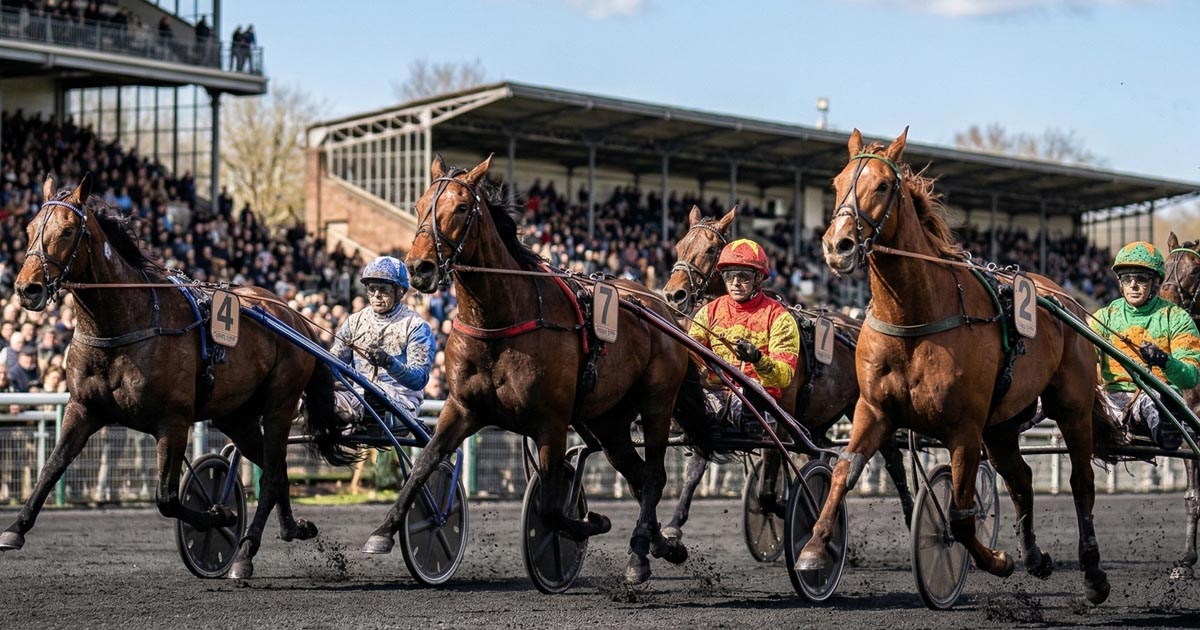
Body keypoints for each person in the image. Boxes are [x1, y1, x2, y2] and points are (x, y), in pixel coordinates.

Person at [1092, 241, 1200, 450]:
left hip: (1156, 397)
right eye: (1126, 278)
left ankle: (1166, 427)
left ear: (1156, 282)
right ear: (1120, 282)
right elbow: (1084, 356)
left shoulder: (1176, 318)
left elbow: (1190, 377)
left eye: (1141, 279)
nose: (1133, 285)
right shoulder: (1104, 317)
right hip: (1111, 399)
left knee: (1155, 400)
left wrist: (1164, 360)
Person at [687, 239, 799, 434]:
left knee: (751, 388)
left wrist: (757, 359)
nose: (735, 283)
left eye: (743, 277)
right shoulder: (709, 312)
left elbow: (784, 377)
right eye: (729, 276)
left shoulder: (780, 317)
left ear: (758, 278)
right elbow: (690, 355)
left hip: (759, 406)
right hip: (715, 395)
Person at [329, 256, 435, 434]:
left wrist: (389, 363)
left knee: (374, 399)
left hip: (400, 406)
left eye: (383, 289)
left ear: (400, 291)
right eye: (371, 289)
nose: (376, 295)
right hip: (358, 400)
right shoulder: (354, 322)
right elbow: (332, 365)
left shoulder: (416, 326)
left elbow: (419, 380)